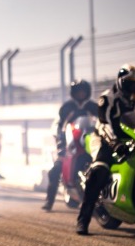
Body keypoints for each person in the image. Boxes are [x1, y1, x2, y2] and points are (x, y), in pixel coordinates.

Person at [76, 64, 135, 235]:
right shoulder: (108, 98)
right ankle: (83, 220)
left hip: (131, 137)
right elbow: (105, 124)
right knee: (99, 170)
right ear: (121, 83)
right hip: (104, 137)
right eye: (131, 84)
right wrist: (115, 144)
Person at [41, 80, 98, 211]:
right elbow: (59, 127)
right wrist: (61, 146)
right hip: (71, 145)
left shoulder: (93, 106)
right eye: (78, 91)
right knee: (55, 170)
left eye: (83, 91)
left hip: (90, 143)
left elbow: (102, 122)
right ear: (73, 93)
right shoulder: (67, 107)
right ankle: (49, 201)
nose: (81, 94)